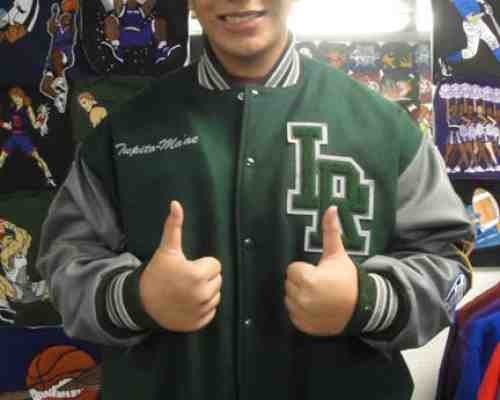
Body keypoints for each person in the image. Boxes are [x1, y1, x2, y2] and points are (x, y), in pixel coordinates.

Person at [37, 0, 474, 399]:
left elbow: (446, 263)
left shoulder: (387, 130)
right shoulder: (123, 133)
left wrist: (368, 301)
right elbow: (64, 260)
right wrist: (136, 298)